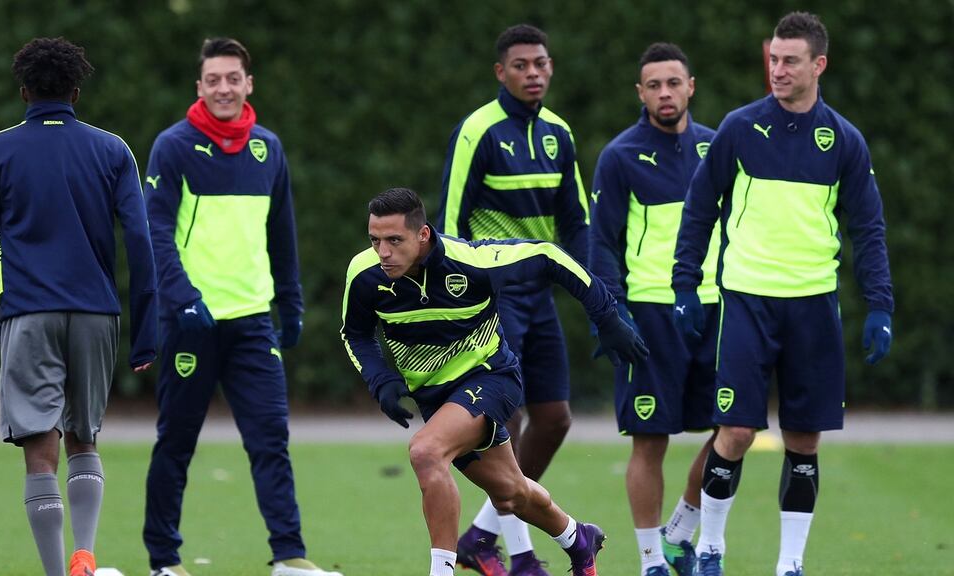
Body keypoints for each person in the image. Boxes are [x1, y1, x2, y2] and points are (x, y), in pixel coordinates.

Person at [671, 12, 894, 576]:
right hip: (746, 300)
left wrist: (881, 305)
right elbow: (699, 209)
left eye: (790, 60)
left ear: (819, 65)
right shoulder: (740, 128)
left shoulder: (844, 140)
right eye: (773, 58)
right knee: (737, 431)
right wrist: (685, 285)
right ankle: (710, 548)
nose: (777, 69)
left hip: (814, 306)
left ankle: (790, 564)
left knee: (803, 438)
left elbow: (868, 228)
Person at [342, 187, 648, 576]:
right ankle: (577, 537)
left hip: (491, 378)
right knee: (511, 493)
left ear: (423, 235)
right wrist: (379, 377)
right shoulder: (365, 274)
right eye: (375, 240)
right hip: (434, 398)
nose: (382, 252)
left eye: (393, 241)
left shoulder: (473, 262)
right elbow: (355, 334)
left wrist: (607, 318)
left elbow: (548, 255)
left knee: (425, 452)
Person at [0, 37, 158, 576]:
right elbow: (140, 244)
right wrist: (147, 328)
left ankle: (55, 573)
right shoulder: (112, 150)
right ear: (75, 91)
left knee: (39, 450)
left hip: (27, 313)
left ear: (23, 91)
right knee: (83, 436)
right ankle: (86, 554)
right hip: (96, 313)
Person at [141, 37, 339, 576]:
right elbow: (155, 230)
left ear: (249, 84)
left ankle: (290, 557)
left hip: (253, 321)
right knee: (176, 442)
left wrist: (291, 305)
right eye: (213, 80)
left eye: (233, 78)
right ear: (199, 87)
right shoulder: (174, 146)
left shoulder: (267, 148)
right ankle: (164, 561)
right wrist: (181, 299)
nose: (224, 88)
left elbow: (282, 233)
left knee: (270, 441)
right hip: (191, 322)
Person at [436, 24, 590, 576]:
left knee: (554, 418)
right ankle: (521, 556)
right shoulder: (478, 130)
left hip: (538, 293)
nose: (533, 73)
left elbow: (577, 223)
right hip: (492, 295)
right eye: (521, 65)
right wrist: (456, 298)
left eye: (541, 63)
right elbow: (448, 224)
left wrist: (599, 300)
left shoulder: (558, 132)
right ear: (501, 72)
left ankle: (480, 537)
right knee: (509, 420)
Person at [589, 42, 718, 576]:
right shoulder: (619, 156)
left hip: (716, 308)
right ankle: (651, 564)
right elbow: (602, 244)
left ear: (691, 86)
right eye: (654, 85)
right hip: (649, 315)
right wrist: (611, 314)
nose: (665, 93)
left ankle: (680, 531)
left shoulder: (719, 147)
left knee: (735, 427)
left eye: (674, 83)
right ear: (640, 93)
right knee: (650, 440)